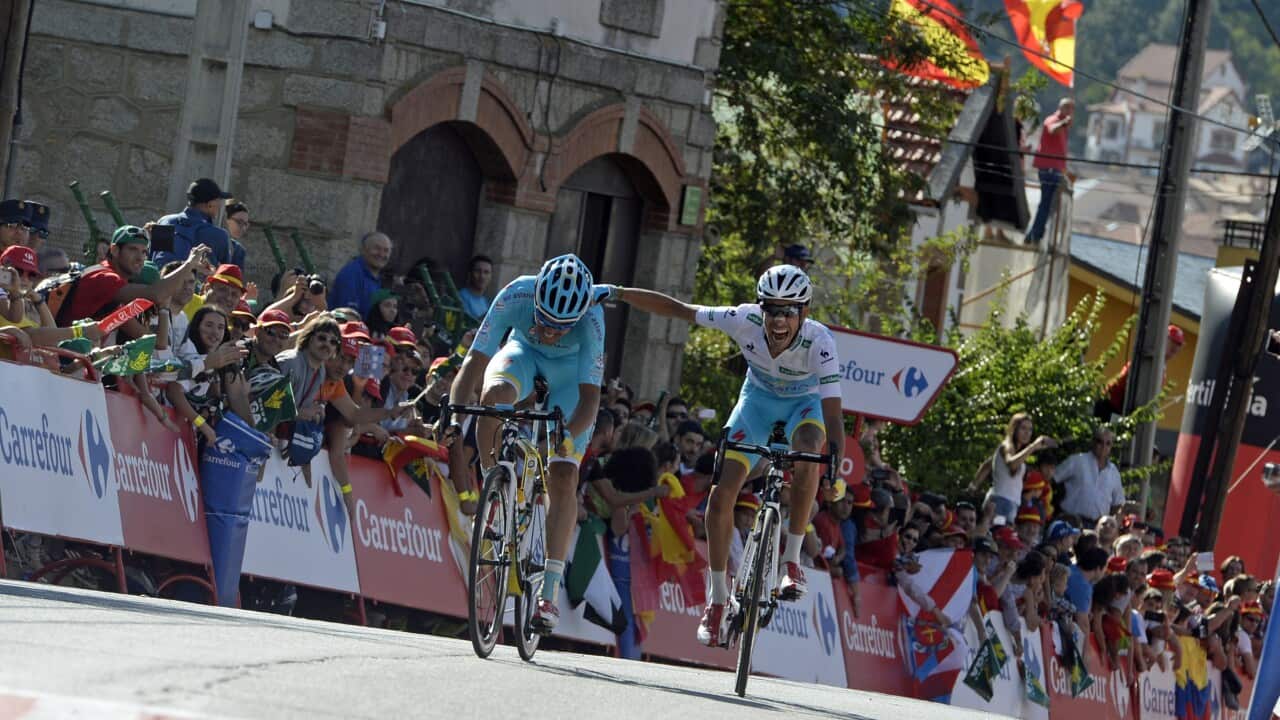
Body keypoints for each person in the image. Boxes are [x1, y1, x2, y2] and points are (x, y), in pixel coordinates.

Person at [599, 263, 844, 647]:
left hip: (804, 408)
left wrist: (833, 462)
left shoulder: (821, 342)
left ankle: (791, 561)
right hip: (757, 405)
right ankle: (716, 602)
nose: (777, 321)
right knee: (722, 490)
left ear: (804, 313)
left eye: (788, 312)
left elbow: (832, 409)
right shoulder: (742, 319)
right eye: (771, 309)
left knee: (812, 450)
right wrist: (618, 292)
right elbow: (679, 308)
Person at [441, 253, 604, 634]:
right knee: (493, 396)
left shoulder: (593, 319)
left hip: (571, 379)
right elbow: (471, 366)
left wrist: (566, 440)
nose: (549, 330)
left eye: (560, 326)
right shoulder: (515, 294)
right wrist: (452, 415)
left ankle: (547, 593)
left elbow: (590, 401)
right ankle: (493, 489)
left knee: (564, 476)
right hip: (522, 357)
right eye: (544, 319)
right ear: (536, 301)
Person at [984, 413, 1056, 524]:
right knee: (998, 536)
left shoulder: (1017, 451)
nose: (1027, 433)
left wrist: (973, 487)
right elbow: (1012, 464)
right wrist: (1033, 447)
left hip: (1010, 503)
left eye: (1030, 429)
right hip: (1000, 502)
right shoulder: (1006, 446)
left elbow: (987, 464)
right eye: (1023, 428)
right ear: (1014, 428)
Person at [1098, 325, 1184, 419]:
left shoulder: (1161, 368)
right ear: (1163, 340)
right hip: (1111, 405)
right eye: (1173, 344)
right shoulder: (1148, 361)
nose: (1175, 349)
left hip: (1122, 410)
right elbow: (1124, 383)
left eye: (1178, 346)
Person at [153, 178, 234, 267]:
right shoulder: (219, 235)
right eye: (219, 200)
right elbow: (225, 273)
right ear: (210, 205)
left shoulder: (165, 221)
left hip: (162, 279)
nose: (220, 205)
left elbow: (152, 261)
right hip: (193, 280)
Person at [1025, 97, 1073, 244]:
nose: (1071, 113)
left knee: (1049, 205)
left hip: (1054, 168)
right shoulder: (1053, 120)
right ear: (1064, 108)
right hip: (1050, 169)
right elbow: (1052, 129)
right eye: (1070, 109)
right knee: (1047, 203)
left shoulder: (1062, 125)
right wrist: (1064, 122)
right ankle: (1035, 235)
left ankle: (1035, 233)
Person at [1056, 427, 1125, 525]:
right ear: (1093, 442)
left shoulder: (1114, 472)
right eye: (1100, 442)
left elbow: (1118, 503)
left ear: (1111, 446)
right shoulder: (1077, 461)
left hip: (1097, 526)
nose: (1103, 446)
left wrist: (1110, 523)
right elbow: (1052, 479)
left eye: (1108, 443)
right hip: (1071, 521)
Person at [330, 232, 391, 316]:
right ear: (363, 250)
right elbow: (347, 316)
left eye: (386, 250)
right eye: (377, 248)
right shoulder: (351, 274)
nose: (381, 254)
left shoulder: (377, 278)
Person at [458, 254, 493, 320]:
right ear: (470, 273)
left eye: (486, 272)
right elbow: (466, 324)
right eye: (477, 271)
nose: (482, 276)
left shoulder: (485, 301)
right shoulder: (461, 297)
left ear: (491, 276)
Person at [222, 199, 250, 269]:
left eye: (245, 224)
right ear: (226, 219)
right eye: (239, 222)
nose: (243, 228)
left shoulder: (239, 250)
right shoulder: (213, 240)